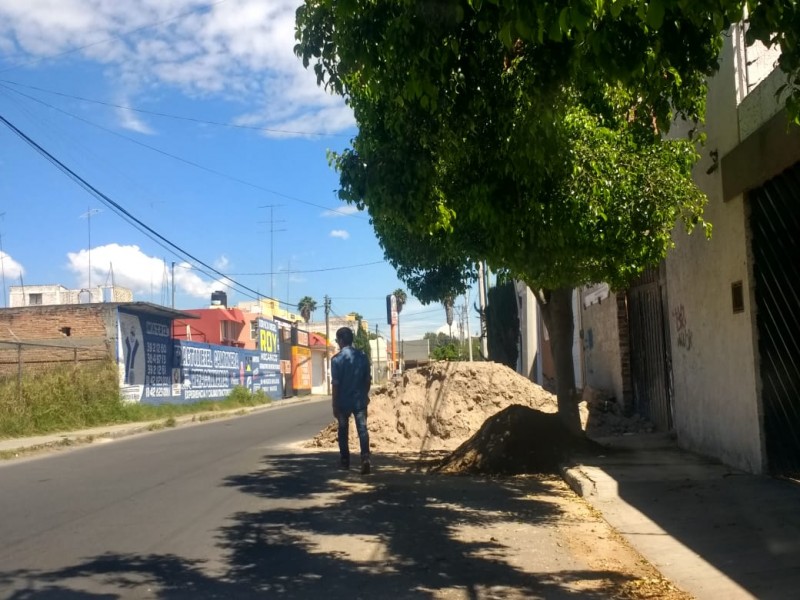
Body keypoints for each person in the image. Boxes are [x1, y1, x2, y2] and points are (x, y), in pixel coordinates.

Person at [331, 326, 372, 474]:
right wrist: (364, 394)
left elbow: (335, 385)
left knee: (343, 431)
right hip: (359, 401)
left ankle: (345, 461)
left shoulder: (336, 360)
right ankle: (365, 458)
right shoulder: (362, 356)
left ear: (341, 340)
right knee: (362, 429)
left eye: (337, 340)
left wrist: (334, 404)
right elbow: (367, 380)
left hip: (343, 402)